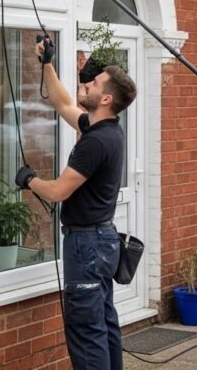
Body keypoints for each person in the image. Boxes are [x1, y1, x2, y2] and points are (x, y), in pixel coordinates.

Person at [16, 37, 137, 370]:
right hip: (101, 241)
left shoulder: (95, 142)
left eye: (94, 83)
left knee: (86, 329)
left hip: (87, 244)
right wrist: (47, 63)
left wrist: (29, 180)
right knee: (103, 321)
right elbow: (62, 102)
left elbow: (57, 192)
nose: (87, 84)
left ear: (106, 98)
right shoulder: (106, 129)